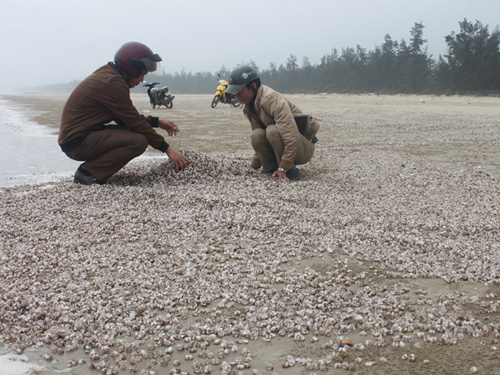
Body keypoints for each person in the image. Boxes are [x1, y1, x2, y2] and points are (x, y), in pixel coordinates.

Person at [58, 41, 189, 185]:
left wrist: (156, 121)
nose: (142, 80)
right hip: (76, 142)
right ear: (131, 69)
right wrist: (168, 149)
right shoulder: (113, 83)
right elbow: (134, 122)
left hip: (79, 137)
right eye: (141, 74)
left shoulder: (109, 74)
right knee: (138, 141)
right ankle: (88, 173)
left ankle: (91, 170)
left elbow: (127, 119)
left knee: (134, 133)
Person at [225, 66, 319, 181]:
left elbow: (292, 137)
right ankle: (270, 168)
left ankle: (289, 170)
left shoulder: (272, 99)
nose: (237, 96)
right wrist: (255, 163)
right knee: (256, 134)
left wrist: (285, 166)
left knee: (272, 130)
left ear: (253, 86)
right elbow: (258, 136)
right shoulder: (249, 107)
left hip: (303, 148)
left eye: (239, 91)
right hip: (286, 145)